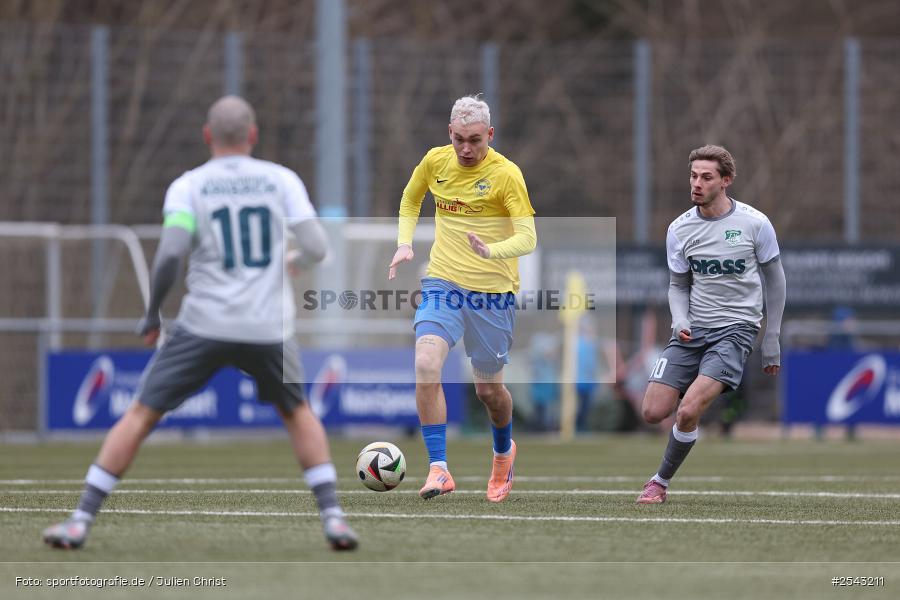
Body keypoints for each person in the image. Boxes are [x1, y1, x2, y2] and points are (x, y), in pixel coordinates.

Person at [42, 96, 358, 550]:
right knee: (298, 412)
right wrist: (293, 259)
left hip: (204, 324)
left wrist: (152, 313)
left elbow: (171, 253)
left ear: (207, 136)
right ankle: (334, 519)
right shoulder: (280, 180)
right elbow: (316, 245)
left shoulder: (188, 186)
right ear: (253, 136)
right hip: (268, 328)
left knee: (140, 414)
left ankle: (79, 521)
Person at [388, 95, 536, 502]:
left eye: (475, 140)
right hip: (443, 283)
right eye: (459, 140)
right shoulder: (436, 161)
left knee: (488, 393)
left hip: (493, 294)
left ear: (490, 134)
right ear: (449, 134)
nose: (466, 149)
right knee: (424, 362)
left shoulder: (507, 175)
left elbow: (528, 236)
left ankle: (504, 453)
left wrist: (493, 251)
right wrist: (404, 242)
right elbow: (410, 197)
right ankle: (439, 469)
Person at [637, 144, 786, 504]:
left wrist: (772, 337)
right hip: (692, 330)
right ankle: (688, 420)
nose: (697, 184)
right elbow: (678, 285)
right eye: (693, 176)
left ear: (726, 181)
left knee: (687, 410)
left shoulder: (755, 223)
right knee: (652, 411)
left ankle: (658, 483)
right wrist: (681, 318)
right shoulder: (679, 229)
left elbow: (776, 282)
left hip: (736, 330)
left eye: (706, 177)